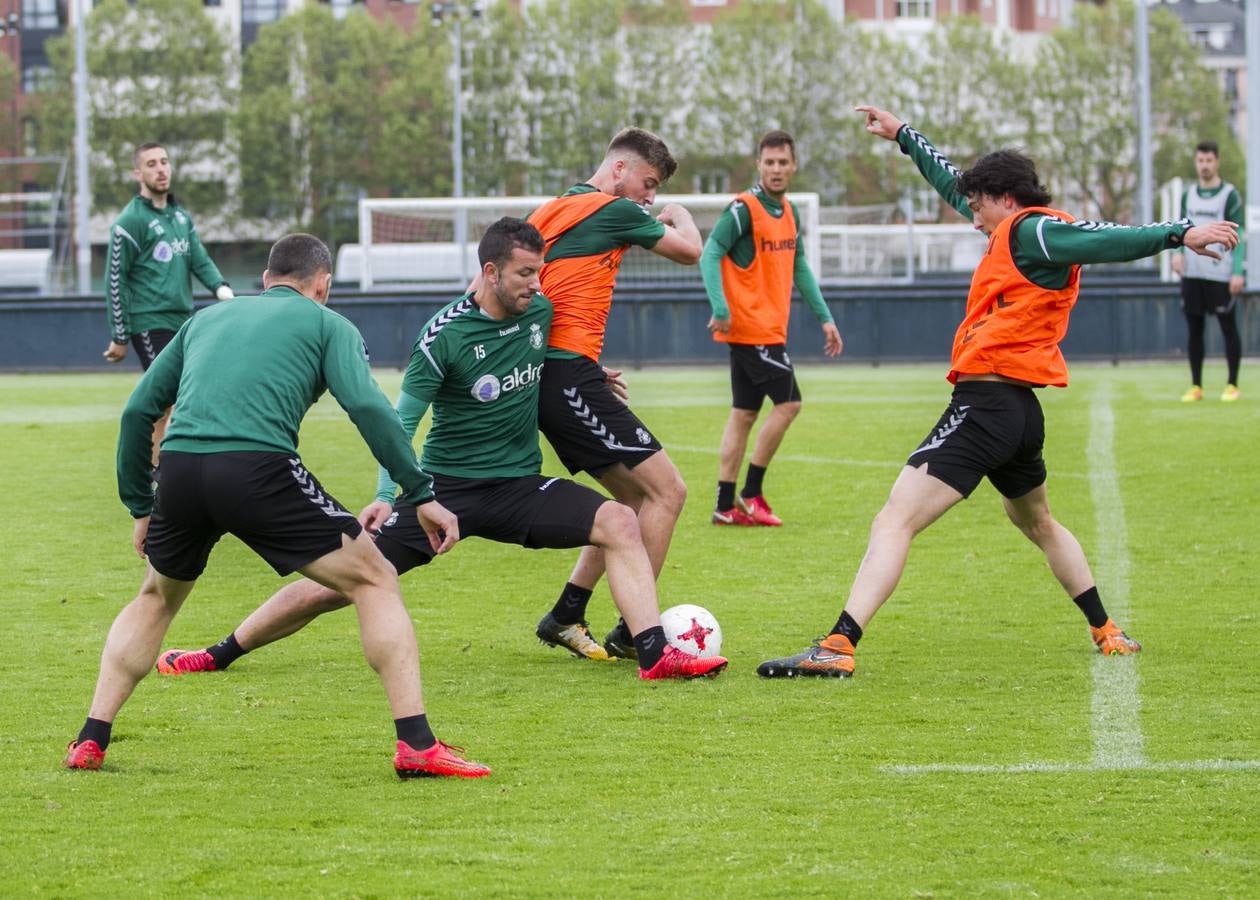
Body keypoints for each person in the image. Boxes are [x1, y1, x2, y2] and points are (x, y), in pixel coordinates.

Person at [757, 105, 1240, 679]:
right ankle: (1106, 629)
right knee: (1038, 523)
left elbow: (1109, 238)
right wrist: (905, 136)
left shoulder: (1034, 227)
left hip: (985, 407)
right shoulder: (1015, 230)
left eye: (979, 206)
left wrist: (1179, 231)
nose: (972, 219)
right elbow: (953, 182)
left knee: (893, 520)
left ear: (1006, 197)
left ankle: (838, 644)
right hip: (1017, 413)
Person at [153, 218, 728, 682]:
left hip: (519, 490)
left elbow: (552, 367)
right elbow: (398, 420)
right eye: (526, 273)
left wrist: (593, 377)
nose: (536, 284)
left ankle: (654, 655)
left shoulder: (540, 314)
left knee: (620, 522)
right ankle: (220, 652)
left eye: (540, 272)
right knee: (337, 583)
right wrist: (387, 493)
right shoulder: (444, 334)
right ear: (490, 271)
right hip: (443, 494)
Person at [65, 233, 490, 780]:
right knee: (376, 578)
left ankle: (91, 739)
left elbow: (138, 412)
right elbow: (366, 406)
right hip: (258, 469)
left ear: (265, 282)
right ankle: (417, 744)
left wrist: (140, 505)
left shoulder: (205, 320)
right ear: (323, 286)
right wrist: (420, 493)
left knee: (155, 598)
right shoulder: (327, 323)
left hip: (181, 470)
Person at [525, 128, 704, 661]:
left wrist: (581, 359)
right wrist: (676, 213)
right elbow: (690, 252)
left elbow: (521, 291)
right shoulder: (616, 210)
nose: (649, 197)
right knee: (668, 493)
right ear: (620, 170)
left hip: (558, 372)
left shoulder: (550, 210)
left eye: (656, 192)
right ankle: (636, 629)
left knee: (630, 502)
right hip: (565, 381)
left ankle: (565, 614)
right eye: (648, 183)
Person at [702, 130, 843, 527]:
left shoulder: (790, 212)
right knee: (790, 403)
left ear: (794, 166)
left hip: (768, 330)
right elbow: (710, 252)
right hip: (752, 329)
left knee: (743, 414)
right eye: (769, 162)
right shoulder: (743, 209)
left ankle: (725, 505)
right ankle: (752, 492)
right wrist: (721, 306)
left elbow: (799, 266)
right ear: (758, 165)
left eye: (783, 162)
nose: (776, 169)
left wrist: (825, 317)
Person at [103, 143, 235, 464]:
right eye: (151, 164)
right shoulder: (129, 222)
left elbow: (199, 259)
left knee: (178, 399)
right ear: (139, 173)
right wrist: (120, 335)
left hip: (183, 322)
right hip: (149, 323)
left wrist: (221, 288)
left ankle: (163, 473)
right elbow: (115, 279)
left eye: (164, 162)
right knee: (167, 399)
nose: (160, 169)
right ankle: (156, 476)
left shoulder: (180, 216)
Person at [1171, 140, 1246, 403]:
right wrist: (1177, 255)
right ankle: (1196, 386)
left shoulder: (1229, 195)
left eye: (1209, 160)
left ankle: (1232, 384)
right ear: (1196, 162)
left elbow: (1241, 234)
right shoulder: (1187, 195)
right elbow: (1180, 229)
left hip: (1220, 273)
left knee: (1228, 327)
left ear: (1217, 162)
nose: (1204, 165)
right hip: (1193, 273)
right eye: (1200, 161)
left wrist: (1237, 271)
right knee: (1194, 329)